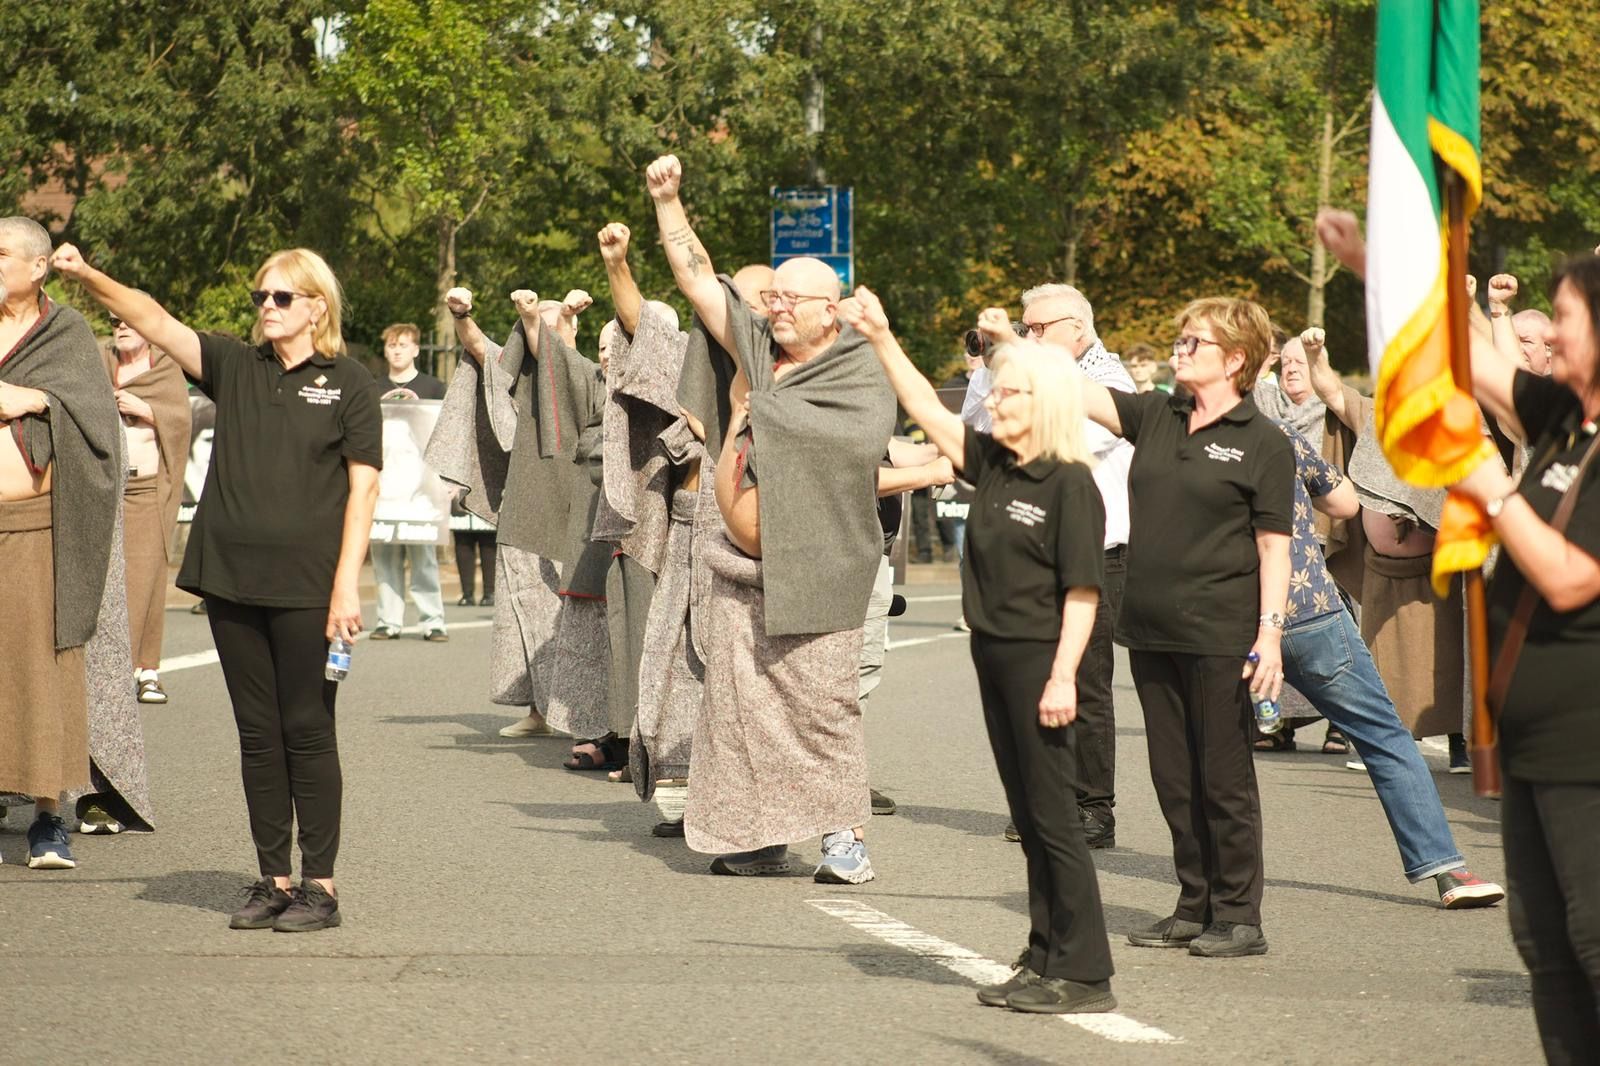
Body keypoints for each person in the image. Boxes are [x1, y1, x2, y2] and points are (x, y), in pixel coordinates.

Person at [53, 241, 382, 932]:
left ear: (315, 306)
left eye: (281, 297)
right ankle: (274, 880)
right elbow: (152, 317)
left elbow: (364, 489)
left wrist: (346, 585)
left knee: (308, 732)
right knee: (258, 736)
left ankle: (320, 887)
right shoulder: (235, 365)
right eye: (262, 296)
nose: (267, 307)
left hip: (307, 587)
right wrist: (85, 276)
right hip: (232, 580)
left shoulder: (348, 382)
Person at [844, 288, 1116, 1014]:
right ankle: (1043, 953)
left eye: (1012, 392)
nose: (994, 401)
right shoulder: (996, 465)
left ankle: (1086, 972)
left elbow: (1083, 594)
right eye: (997, 390)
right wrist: (880, 333)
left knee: (1055, 816)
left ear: (1049, 400)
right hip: (995, 660)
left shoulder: (1070, 484)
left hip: (1041, 663)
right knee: (1028, 816)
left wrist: (1063, 679)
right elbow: (929, 411)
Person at [647, 153, 896, 883]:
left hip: (821, 571)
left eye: (792, 298)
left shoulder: (857, 370)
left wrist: (762, 420)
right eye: (773, 296)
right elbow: (697, 280)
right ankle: (759, 835)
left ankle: (845, 838)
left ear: (832, 308)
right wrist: (669, 203)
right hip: (739, 565)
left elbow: (858, 447)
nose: (776, 306)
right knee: (742, 713)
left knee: (821, 713)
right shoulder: (759, 350)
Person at [1077, 295, 1294, 959]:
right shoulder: (1157, 414)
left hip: (1222, 631)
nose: (1181, 349)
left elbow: (1273, 550)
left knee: (1223, 778)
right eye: (1181, 338)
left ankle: (1240, 916)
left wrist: (1271, 636)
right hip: (1151, 626)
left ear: (1236, 360)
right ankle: (1192, 902)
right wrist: (1019, 338)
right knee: (1174, 776)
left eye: (1195, 342)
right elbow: (1071, 388)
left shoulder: (1263, 442)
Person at [1450, 252, 1600, 1065]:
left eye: (1566, 316)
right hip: (1534, 740)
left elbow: (1572, 579)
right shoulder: (1570, 417)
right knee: (1543, 942)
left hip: (1589, 743)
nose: (1552, 331)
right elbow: (1472, 360)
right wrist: (1384, 263)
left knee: (1595, 940)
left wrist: (1495, 493)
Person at [0, 217, 121, 871]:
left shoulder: (66, 332)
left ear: (38, 265)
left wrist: (32, 398)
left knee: (42, 672)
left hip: (37, 530)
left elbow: (97, 418)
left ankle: (49, 818)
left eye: (0, 254)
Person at [1013, 283, 1134, 850]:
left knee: (1085, 680)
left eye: (1038, 328)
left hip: (1097, 552)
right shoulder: (1043, 375)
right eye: (1024, 327)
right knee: (1041, 674)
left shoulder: (1108, 380)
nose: (1028, 337)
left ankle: (1093, 805)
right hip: (1041, 550)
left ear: (1078, 328)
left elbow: (1055, 442)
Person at [106, 314, 190, 704]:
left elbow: (181, 421)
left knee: (143, 575)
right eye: (113, 321)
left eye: (129, 322)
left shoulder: (165, 366)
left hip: (145, 488)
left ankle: (145, 668)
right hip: (103, 487)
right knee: (103, 579)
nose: (121, 327)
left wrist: (146, 409)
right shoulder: (98, 361)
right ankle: (107, 668)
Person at [371, 322, 447, 642]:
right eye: (391, 345)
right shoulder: (370, 388)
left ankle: (433, 622)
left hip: (420, 489)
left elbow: (445, 435)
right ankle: (389, 621)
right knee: (384, 556)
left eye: (403, 345)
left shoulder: (434, 388)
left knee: (424, 557)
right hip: (381, 486)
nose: (397, 350)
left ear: (416, 349)